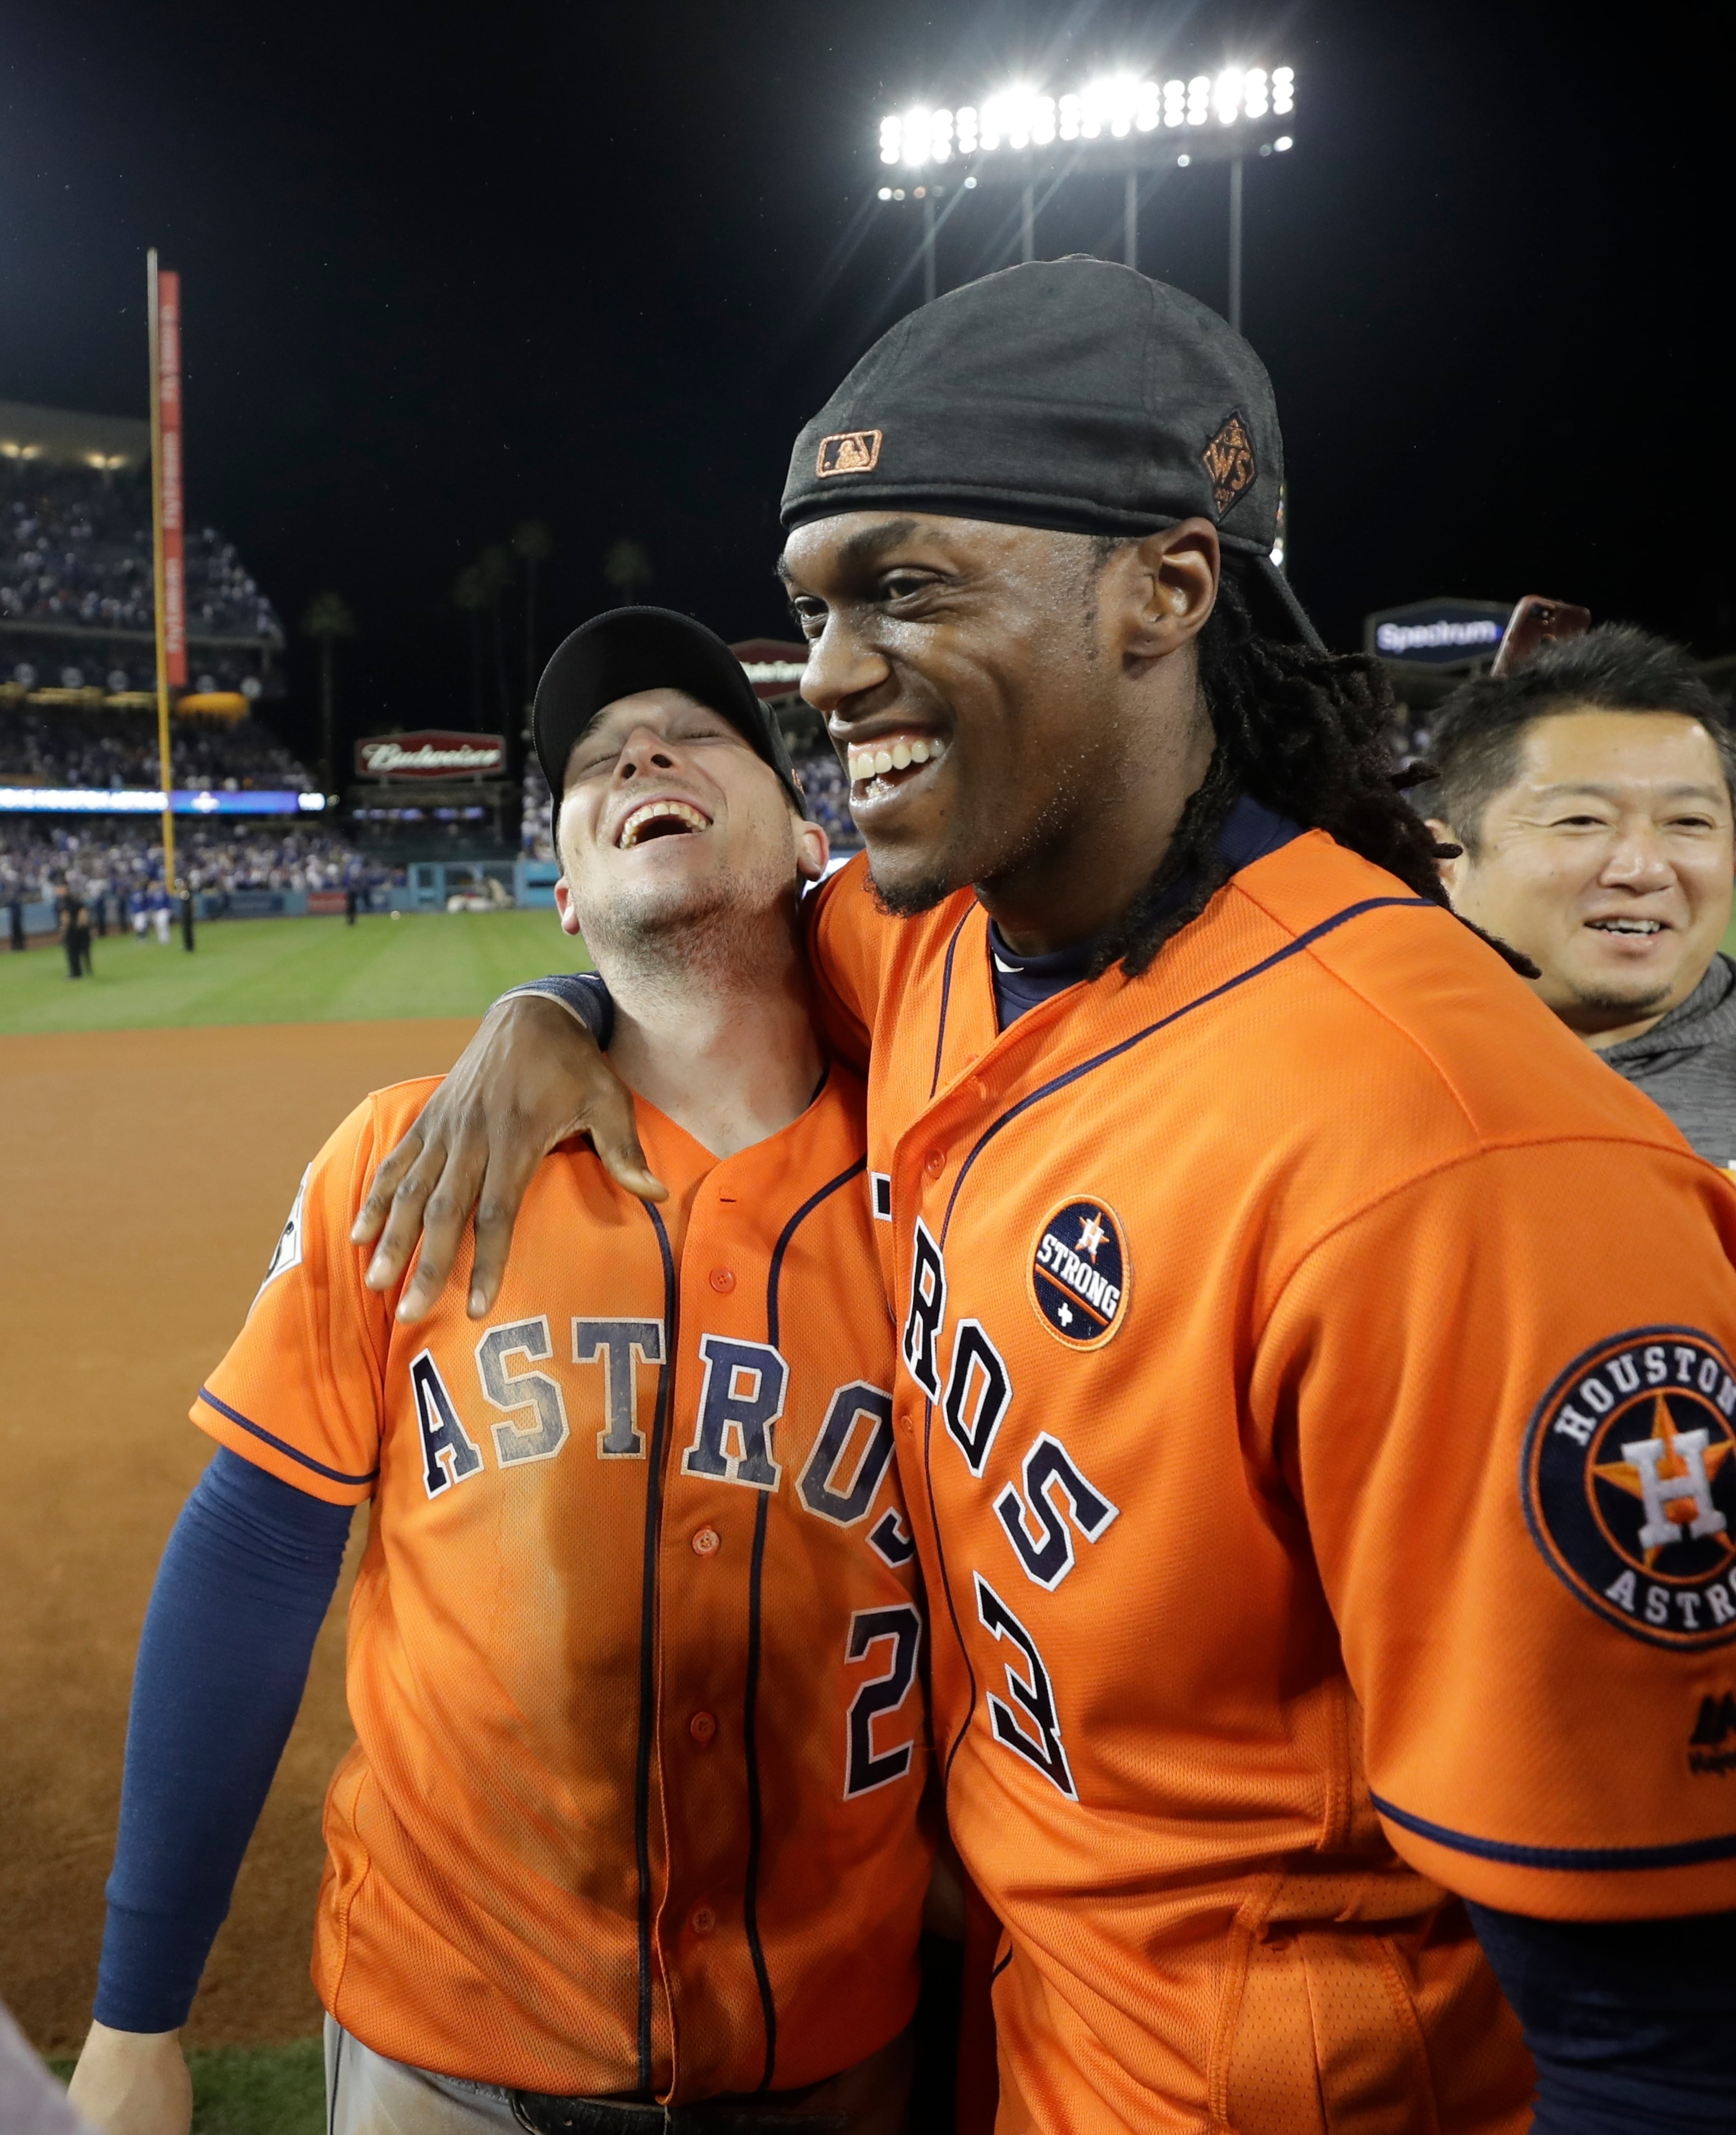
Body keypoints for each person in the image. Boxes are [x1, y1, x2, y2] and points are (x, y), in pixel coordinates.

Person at [355, 260, 1736, 2134]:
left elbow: (1658, 2034)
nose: (826, 673)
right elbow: (717, 945)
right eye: (817, 606)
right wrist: (552, 999)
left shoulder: (1459, 1152)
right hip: (1019, 2041)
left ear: (1168, 585)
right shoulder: (939, 940)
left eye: (905, 586)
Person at [68, 609, 934, 2135]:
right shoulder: (406, 1169)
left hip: (847, 2047)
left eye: (693, 734)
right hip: (441, 2049)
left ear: (814, 838)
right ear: (565, 896)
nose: (640, 756)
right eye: (595, 765)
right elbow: (259, 1548)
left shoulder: (958, 1173)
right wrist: (138, 2014)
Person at [1424, 626, 1736, 1163]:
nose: (1644, 869)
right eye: (1582, 820)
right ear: (1442, 863)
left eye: (1688, 821)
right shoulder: (1353, 1072)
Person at [63, 899, 93, 980]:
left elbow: (66, 919)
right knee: (84, 952)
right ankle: (86, 969)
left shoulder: (66, 905)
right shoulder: (77, 904)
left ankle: (77, 973)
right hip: (81, 931)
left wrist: (64, 929)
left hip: (75, 932)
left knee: (74, 952)